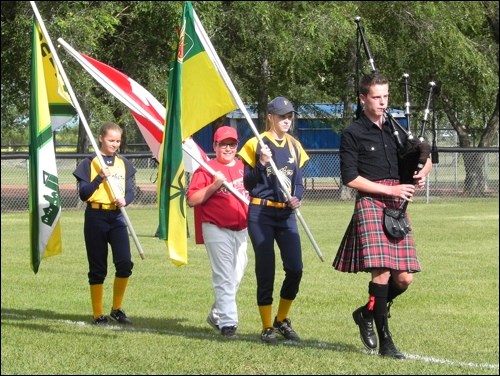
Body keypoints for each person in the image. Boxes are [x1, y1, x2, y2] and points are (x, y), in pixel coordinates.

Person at [333, 72, 432, 359]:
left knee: (403, 279)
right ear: (363, 98)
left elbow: (425, 161)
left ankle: (366, 313)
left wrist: (421, 175)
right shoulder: (353, 133)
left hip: (397, 205)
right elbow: (350, 178)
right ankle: (387, 343)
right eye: (376, 97)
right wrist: (390, 191)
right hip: (372, 203)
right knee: (383, 271)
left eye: (386, 96)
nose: (382, 102)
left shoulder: (396, 130)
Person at [238, 96, 309, 344]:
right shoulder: (256, 144)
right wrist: (261, 163)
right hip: (261, 213)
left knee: (295, 268)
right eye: (281, 116)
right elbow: (248, 183)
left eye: (289, 116)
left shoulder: (294, 146)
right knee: (266, 269)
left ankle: (281, 319)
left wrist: (297, 197)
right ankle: (267, 326)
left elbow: (298, 181)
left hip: (286, 214)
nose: (286, 120)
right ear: (270, 117)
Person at [186, 126, 249, 339]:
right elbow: (192, 199)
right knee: (224, 276)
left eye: (232, 144)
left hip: (241, 229)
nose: (228, 148)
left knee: (236, 275)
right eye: (223, 144)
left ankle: (217, 314)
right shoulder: (207, 168)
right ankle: (228, 324)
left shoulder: (243, 167)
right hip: (215, 227)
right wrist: (214, 185)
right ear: (215, 146)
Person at [73, 121, 137, 325]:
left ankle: (117, 309)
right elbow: (84, 194)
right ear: (101, 138)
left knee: (125, 263)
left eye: (118, 140)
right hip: (95, 217)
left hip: (117, 216)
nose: (115, 144)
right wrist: (99, 177)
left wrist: (126, 200)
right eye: (111, 140)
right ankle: (98, 314)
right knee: (98, 267)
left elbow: (131, 190)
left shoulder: (124, 163)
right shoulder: (89, 162)